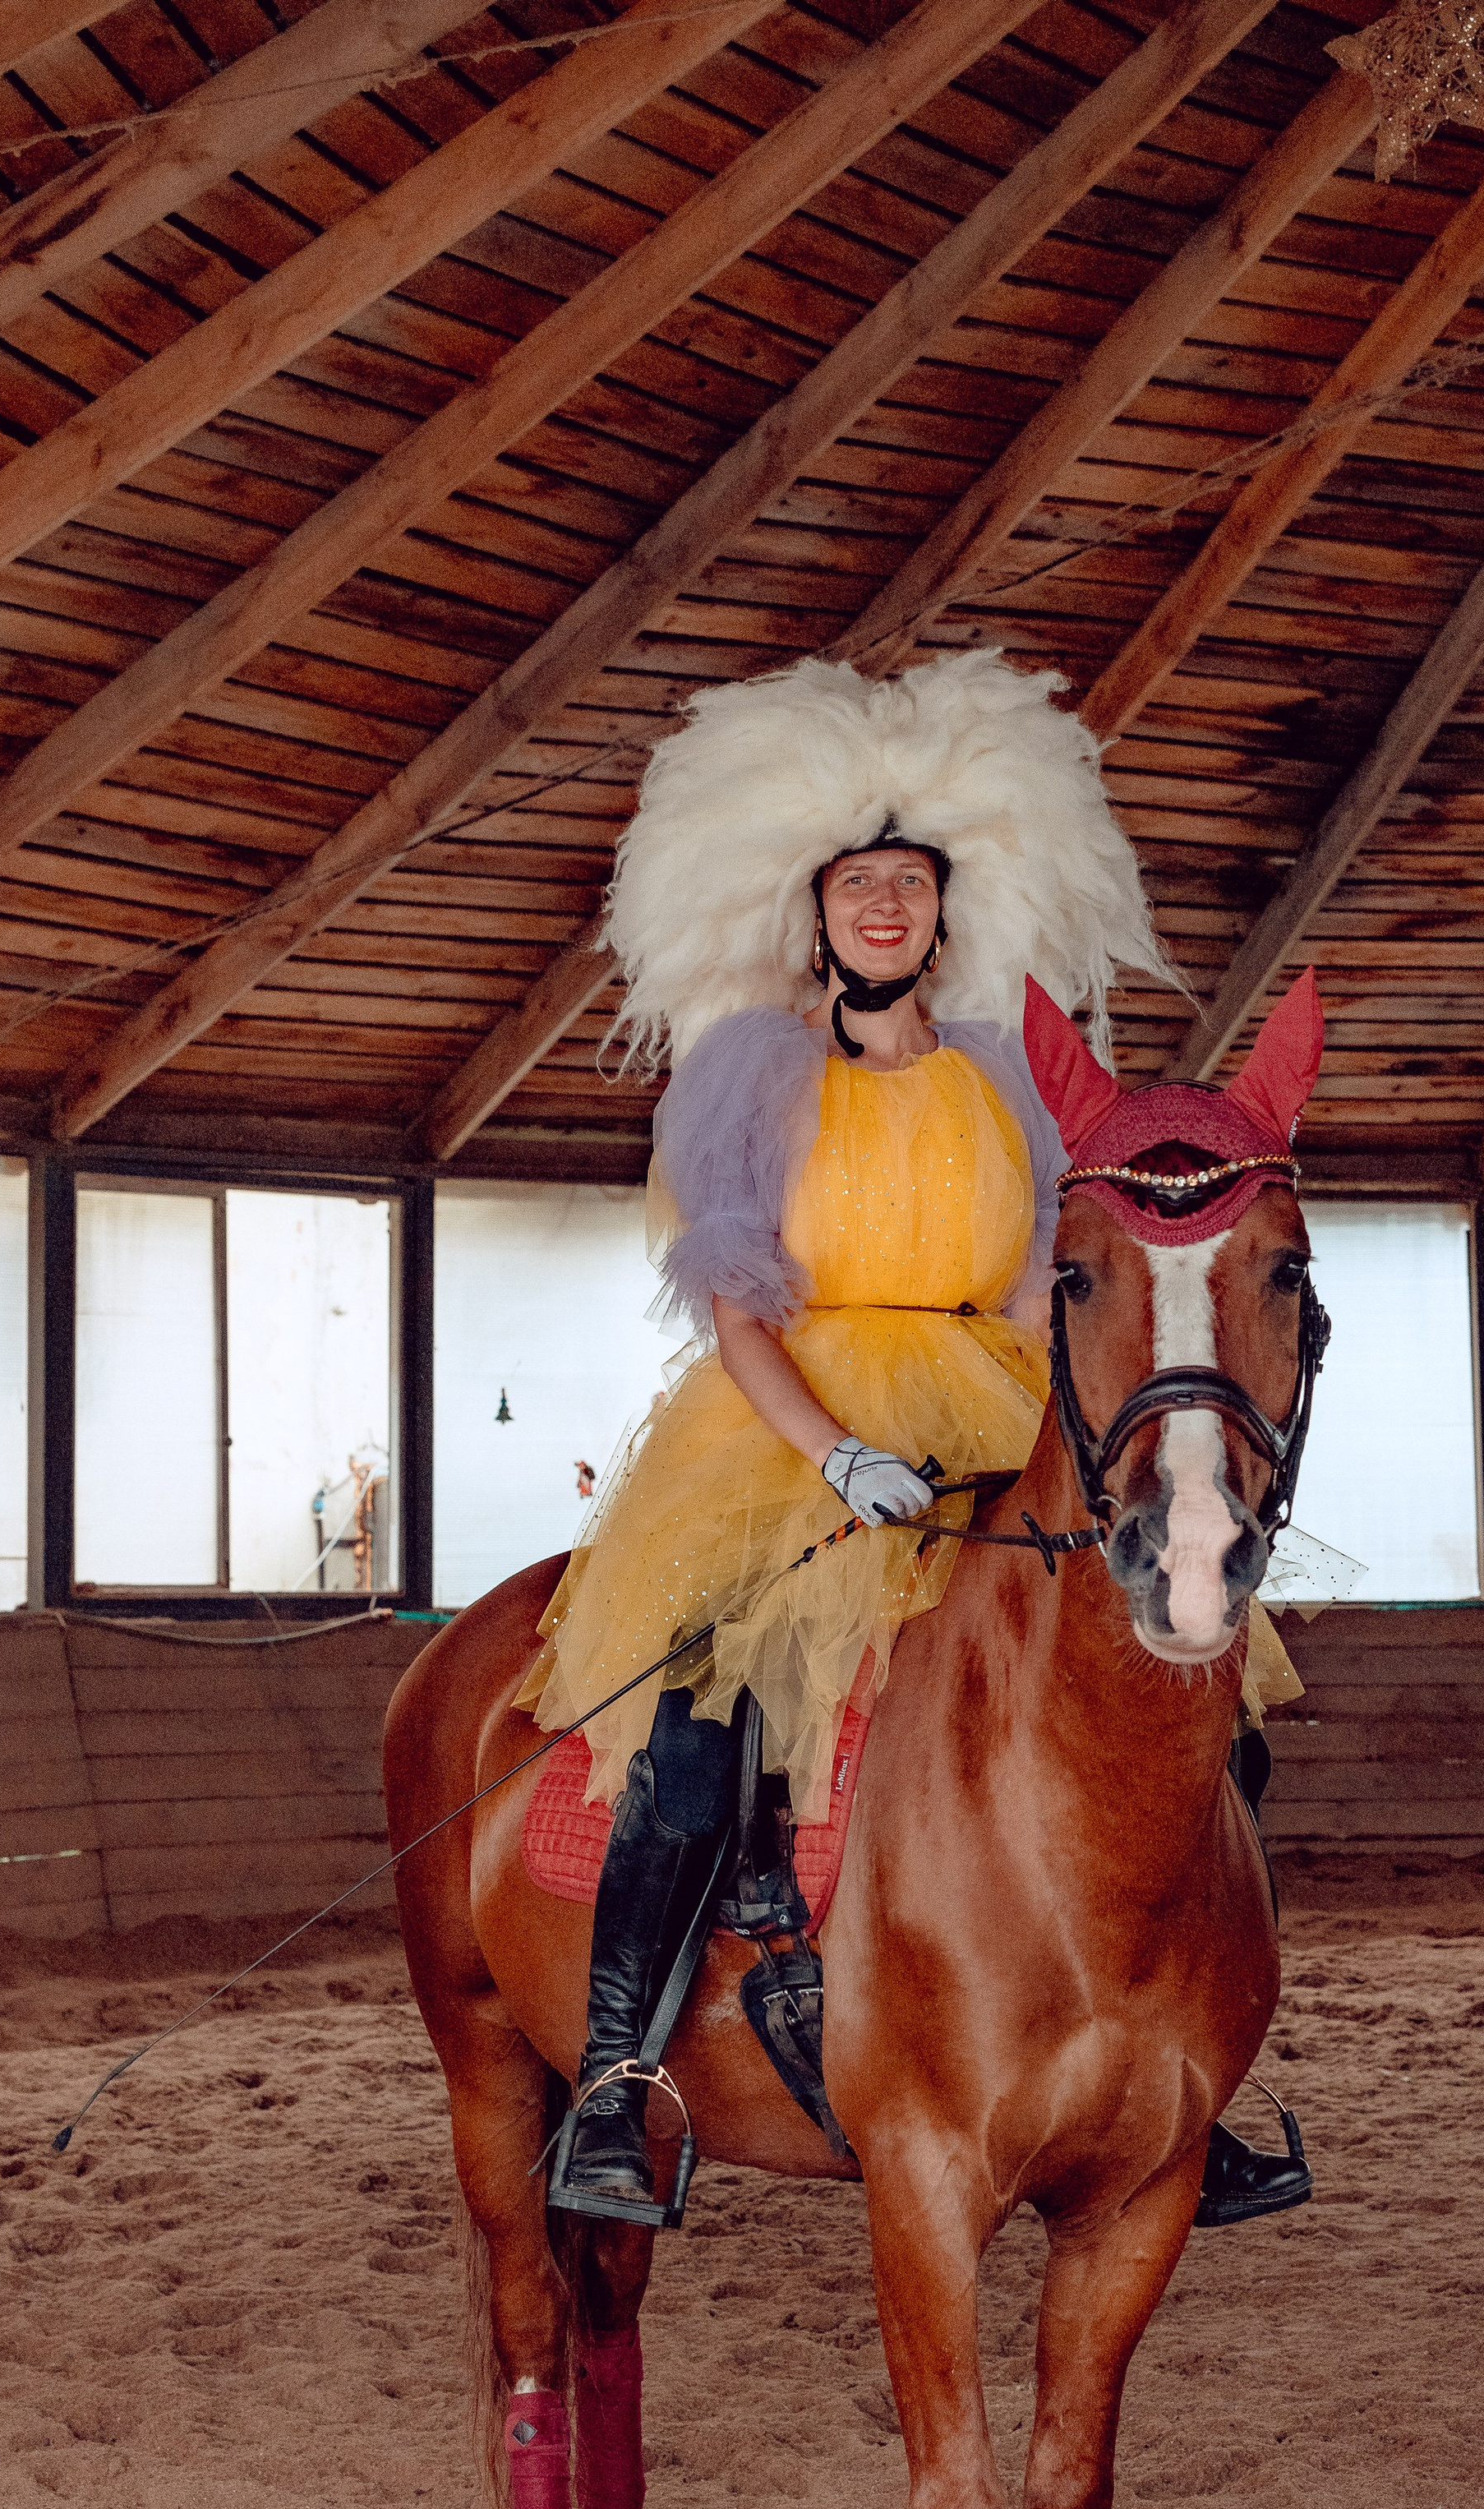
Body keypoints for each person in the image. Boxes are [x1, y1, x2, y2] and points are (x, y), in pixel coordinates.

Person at [518, 651, 1307, 2225]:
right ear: (812, 913)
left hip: (989, 1403)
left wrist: (1063, 1418)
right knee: (707, 1701)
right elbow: (735, 1303)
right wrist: (834, 1455)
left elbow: (1042, 1279)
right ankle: (617, 2071)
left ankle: (1168, 2060)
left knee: (1184, 1703)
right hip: (793, 1425)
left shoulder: (1004, 1074)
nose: (886, 905)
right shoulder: (752, 1070)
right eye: (857, 883)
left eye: (911, 883)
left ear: (946, 913)